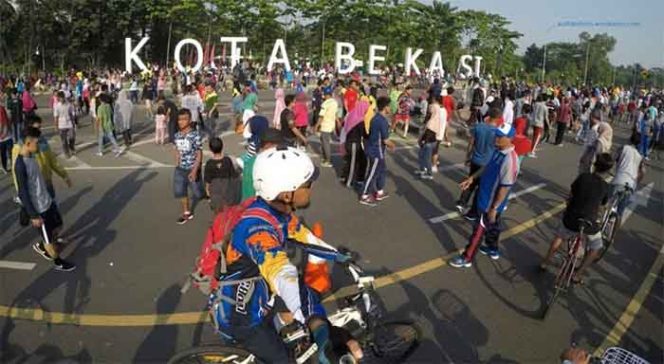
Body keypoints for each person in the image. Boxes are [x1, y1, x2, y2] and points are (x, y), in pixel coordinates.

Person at [216, 145, 361, 363]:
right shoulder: (256, 230)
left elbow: (304, 237)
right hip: (244, 319)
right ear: (286, 194)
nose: (311, 188)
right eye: (307, 184)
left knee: (305, 301)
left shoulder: (276, 212)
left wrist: (338, 257)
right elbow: (282, 274)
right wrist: (318, 327)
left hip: (260, 298)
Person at [449, 123, 519, 268]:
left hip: (489, 204)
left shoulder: (510, 160)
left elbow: (505, 187)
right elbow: (486, 167)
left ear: (510, 139)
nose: (496, 138)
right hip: (486, 199)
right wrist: (471, 178)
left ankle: (467, 257)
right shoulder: (497, 151)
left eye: (500, 136)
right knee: (493, 225)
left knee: (478, 231)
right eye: (496, 134)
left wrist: (494, 207)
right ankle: (492, 249)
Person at [539, 153, 614, 283]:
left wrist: (569, 203)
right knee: (596, 247)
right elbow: (602, 205)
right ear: (608, 170)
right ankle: (577, 274)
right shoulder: (605, 187)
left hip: (571, 218)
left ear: (595, 164)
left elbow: (571, 193)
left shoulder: (583, 177)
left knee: (560, 236)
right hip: (589, 222)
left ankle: (545, 262)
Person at [14, 127, 75, 271]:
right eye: (36, 143)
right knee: (49, 239)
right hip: (38, 209)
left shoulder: (32, 156)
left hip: (47, 201)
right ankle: (58, 262)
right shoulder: (20, 165)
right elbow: (23, 193)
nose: (39, 146)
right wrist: (34, 215)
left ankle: (44, 244)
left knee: (58, 225)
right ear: (28, 143)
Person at [456, 107, 500, 218]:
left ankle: (462, 202)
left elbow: (471, 142)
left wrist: (468, 156)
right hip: (487, 163)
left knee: (470, 181)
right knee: (480, 188)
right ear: (498, 118)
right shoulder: (497, 132)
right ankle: (473, 212)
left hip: (475, 159)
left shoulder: (479, 126)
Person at [359, 96, 395, 206]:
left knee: (382, 171)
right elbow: (385, 140)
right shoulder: (382, 121)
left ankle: (379, 191)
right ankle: (364, 195)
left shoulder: (375, 118)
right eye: (389, 106)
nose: (390, 108)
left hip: (377, 150)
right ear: (385, 107)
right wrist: (392, 145)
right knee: (373, 173)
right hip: (375, 151)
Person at [173, 109, 204, 224]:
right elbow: (176, 148)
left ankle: (205, 190)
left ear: (190, 120)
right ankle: (186, 212)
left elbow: (199, 153)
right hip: (180, 169)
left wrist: (195, 170)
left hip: (192, 168)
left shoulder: (195, 135)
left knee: (198, 193)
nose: (181, 122)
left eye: (184, 119)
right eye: (179, 119)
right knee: (181, 191)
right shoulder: (177, 135)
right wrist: (177, 162)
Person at [239, 126, 283, 200]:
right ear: (268, 145)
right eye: (279, 145)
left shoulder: (251, 162)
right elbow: (249, 194)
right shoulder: (254, 164)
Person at [609, 133, 645, 222]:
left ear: (630, 139)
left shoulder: (623, 148)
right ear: (639, 144)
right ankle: (613, 235)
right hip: (631, 185)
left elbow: (612, 159)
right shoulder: (640, 157)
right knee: (619, 213)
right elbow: (643, 171)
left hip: (619, 178)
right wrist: (636, 182)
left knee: (607, 203)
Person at [204, 137, 240, 213]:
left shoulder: (209, 164)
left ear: (211, 149)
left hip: (215, 193)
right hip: (228, 192)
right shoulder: (227, 160)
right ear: (222, 147)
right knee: (229, 213)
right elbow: (234, 177)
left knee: (218, 214)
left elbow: (207, 182)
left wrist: (208, 196)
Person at [416, 96, 446, 180]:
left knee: (426, 157)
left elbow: (429, 132)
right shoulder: (434, 118)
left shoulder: (434, 120)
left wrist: (422, 140)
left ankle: (429, 173)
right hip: (429, 139)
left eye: (430, 110)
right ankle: (422, 169)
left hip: (429, 141)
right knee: (421, 155)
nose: (429, 111)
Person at [315, 87, 339, 168]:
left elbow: (321, 116)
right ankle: (326, 158)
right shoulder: (334, 102)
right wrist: (338, 121)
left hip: (325, 125)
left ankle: (328, 160)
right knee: (325, 142)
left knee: (325, 143)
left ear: (326, 95)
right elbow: (335, 114)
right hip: (331, 125)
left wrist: (316, 126)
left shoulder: (325, 104)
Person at [53, 91, 76, 158]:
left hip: (69, 123)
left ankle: (71, 146)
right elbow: (56, 117)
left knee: (72, 137)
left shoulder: (69, 104)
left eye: (62, 97)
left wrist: (73, 122)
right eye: (60, 98)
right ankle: (66, 152)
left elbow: (71, 114)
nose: (62, 99)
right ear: (58, 98)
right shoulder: (57, 106)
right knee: (64, 140)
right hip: (61, 125)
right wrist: (56, 126)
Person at [0, 100, 12, 173]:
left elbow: (3, 122)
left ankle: (6, 167)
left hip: (5, 136)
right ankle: (6, 167)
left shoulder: (1, 109)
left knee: (4, 154)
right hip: (5, 136)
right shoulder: (2, 108)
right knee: (7, 153)